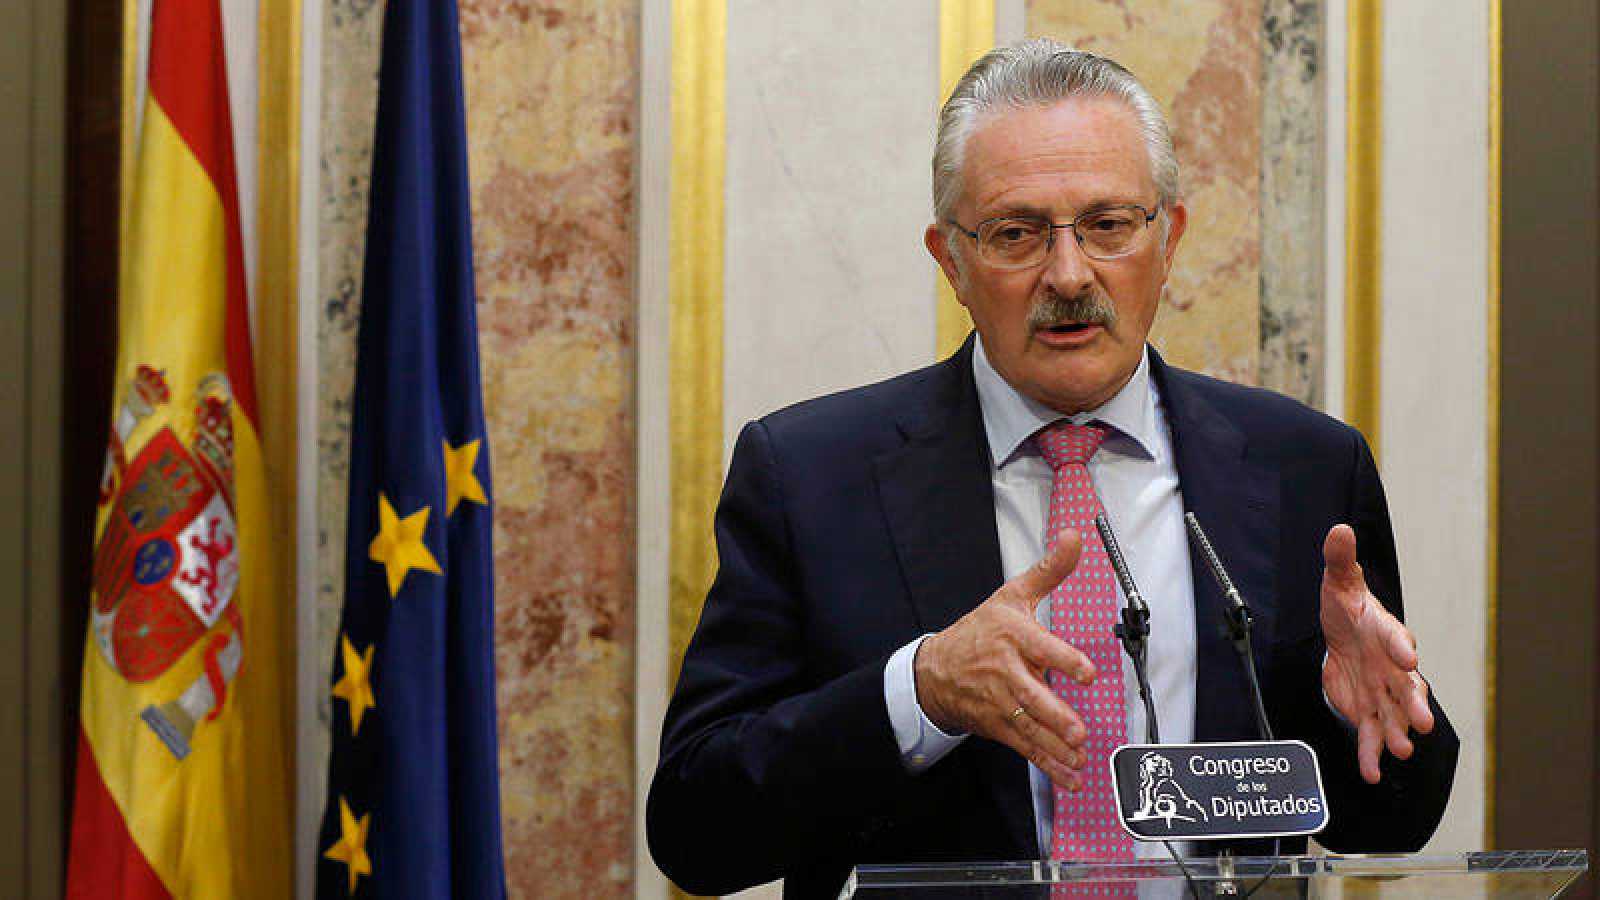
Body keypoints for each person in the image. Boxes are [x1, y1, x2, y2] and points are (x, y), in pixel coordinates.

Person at [647, 40, 1458, 899]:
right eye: (1015, 234)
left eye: (1108, 225)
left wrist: (1356, 714)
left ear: (1169, 238)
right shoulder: (810, 476)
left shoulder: (1306, 467)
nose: (1069, 275)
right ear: (950, 260)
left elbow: (1390, 824)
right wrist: (918, 694)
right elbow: (697, 833)